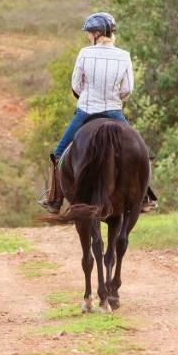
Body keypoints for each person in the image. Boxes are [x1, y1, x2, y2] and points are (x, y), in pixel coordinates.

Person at [39, 12, 157, 213]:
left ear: (96, 33)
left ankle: (54, 199)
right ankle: (145, 196)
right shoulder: (124, 56)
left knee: (58, 154)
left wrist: (86, 96)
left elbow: (76, 84)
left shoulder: (85, 53)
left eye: (88, 33)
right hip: (114, 112)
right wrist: (115, 99)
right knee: (140, 154)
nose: (87, 37)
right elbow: (127, 89)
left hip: (85, 112)